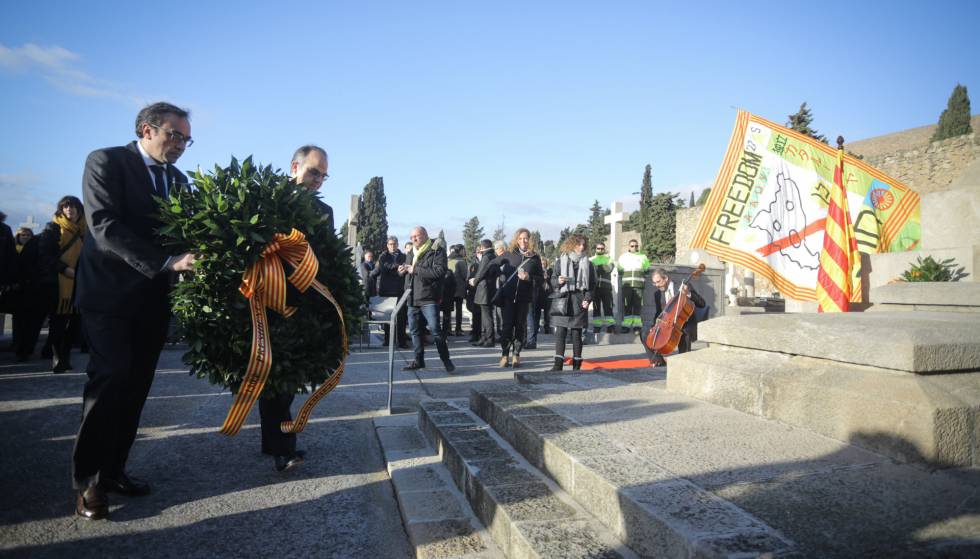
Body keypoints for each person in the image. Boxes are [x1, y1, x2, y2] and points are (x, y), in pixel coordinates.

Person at [72, 102, 197, 520]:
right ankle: (89, 483)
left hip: (151, 300)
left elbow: (186, 233)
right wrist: (166, 262)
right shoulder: (106, 161)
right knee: (109, 379)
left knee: (136, 386)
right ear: (147, 129)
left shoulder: (177, 180)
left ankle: (114, 471)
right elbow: (104, 226)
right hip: (108, 297)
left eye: (186, 139)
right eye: (174, 136)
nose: (180, 145)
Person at [255, 144, 335, 474]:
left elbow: (328, 256)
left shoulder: (325, 212)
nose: (317, 179)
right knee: (275, 373)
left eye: (323, 175)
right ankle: (281, 448)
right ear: (294, 167)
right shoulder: (268, 200)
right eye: (313, 171)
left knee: (284, 375)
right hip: (268, 295)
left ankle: (274, 442)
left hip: (303, 300)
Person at [38, 196, 87, 373]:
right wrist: (64, 269)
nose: (69, 210)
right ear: (61, 210)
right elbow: (45, 254)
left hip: (81, 281)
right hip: (57, 283)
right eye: (65, 207)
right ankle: (57, 357)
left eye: (73, 207)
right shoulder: (52, 228)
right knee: (58, 323)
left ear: (79, 210)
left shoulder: (86, 229)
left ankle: (65, 355)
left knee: (76, 322)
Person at [400, 226, 455, 372]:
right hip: (412, 297)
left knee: (436, 331)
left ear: (424, 235)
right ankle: (418, 361)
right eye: (411, 237)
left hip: (428, 298)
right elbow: (410, 273)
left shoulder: (436, 251)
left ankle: (446, 360)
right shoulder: (411, 252)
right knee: (414, 331)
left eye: (416, 236)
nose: (413, 239)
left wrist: (415, 269)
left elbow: (439, 271)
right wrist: (403, 271)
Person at [497, 228, 543, 368]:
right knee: (506, 327)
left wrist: (529, 278)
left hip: (524, 298)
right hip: (508, 298)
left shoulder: (534, 258)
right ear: (516, 240)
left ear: (530, 240)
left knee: (520, 327)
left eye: (526, 238)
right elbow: (493, 265)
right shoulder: (509, 254)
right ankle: (505, 354)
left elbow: (541, 279)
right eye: (521, 238)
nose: (523, 241)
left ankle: (516, 354)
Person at [549, 234, 595, 371]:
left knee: (576, 334)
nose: (582, 247)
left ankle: (577, 364)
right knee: (560, 333)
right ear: (571, 245)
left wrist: (587, 299)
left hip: (579, 301)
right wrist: (559, 281)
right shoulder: (561, 261)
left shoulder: (588, 263)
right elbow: (552, 280)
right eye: (578, 244)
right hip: (563, 300)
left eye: (583, 245)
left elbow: (592, 285)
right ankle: (558, 364)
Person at [643, 268, 705, 366]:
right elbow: (659, 313)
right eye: (654, 283)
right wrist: (654, 326)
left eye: (658, 282)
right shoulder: (657, 294)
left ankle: (684, 359)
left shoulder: (683, 286)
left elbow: (702, 303)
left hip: (685, 323)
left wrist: (688, 293)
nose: (657, 285)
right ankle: (658, 361)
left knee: (684, 331)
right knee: (645, 332)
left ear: (666, 278)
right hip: (667, 323)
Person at [11, 227, 44, 361]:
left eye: (28, 235)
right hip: (15, 289)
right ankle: (18, 344)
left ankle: (25, 349)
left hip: (31, 288)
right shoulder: (12, 249)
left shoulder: (36, 249)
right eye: (22, 235)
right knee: (18, 320)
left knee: (29, 321)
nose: (25, 237)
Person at [372, 236, 409, 348]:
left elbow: (406, 268)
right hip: (387, 290)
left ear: (397, 244)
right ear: (387, 245)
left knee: (401, 317)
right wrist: (398, 269)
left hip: (400, 290)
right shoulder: (383, 256)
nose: (392, 246)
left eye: (394, 244)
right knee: (387, 317)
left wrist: (400, 270)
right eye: (390, 244)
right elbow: (384, 268)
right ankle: (388, 340)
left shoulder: (404, 256)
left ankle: (402, 341)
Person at [468, 239, 497, 347]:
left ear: (482, 247)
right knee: (485, 315)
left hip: (484, 289)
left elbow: (481, 272)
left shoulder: (486, 257)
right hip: (487, 289)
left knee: (486, 316)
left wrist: (474, 280)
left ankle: (489, 339)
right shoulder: (491, 256)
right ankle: (484, 338)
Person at [617, 239, 649, 333]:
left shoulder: (643, 257)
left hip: (639, 286)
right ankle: (626, 326)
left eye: (636, 246)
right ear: (628, 246)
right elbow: (619, 270)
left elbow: (647, 270)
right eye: (632, 246)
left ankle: (637, 327)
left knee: (637, 306)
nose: (634, 247)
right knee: (627, 306)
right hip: (627, 286)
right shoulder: (623, 257)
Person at [589, 242, 615, 334]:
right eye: (598, 248)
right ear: (595, 249)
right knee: (596, 308)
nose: (600, 250)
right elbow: (591, 271)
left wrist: (597, 267)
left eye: (602, 248)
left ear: (604, 249)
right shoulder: (591, 259)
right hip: (595, 288)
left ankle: (610, 327)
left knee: (608, 307)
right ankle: (597, 327)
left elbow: (609, 268)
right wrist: (602, 267)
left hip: (606, 287)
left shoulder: (608, 259)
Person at [446, 244, 467, 336]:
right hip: (459, 288)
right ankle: (458, 329)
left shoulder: (447, 259)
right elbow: (465, 275)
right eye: (464, 250)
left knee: (448, 309)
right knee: (459, 309)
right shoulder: (461, 261)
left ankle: (448, 328)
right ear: (461, 250)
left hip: (448, 288)